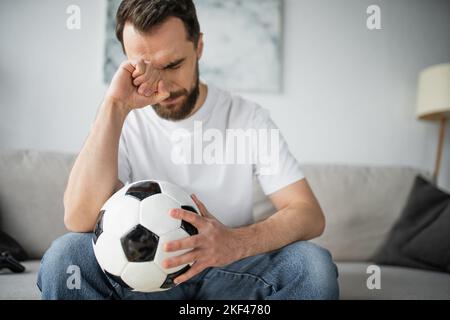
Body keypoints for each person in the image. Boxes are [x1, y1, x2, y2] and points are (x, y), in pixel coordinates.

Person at [37, 0, 339, 300]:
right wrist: (115, 106)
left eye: (173, 65)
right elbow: (78, 219)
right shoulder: (121, 119)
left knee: (312, 265)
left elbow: (308, 214)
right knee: (66, 256)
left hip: (229, 271)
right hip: (143, 278)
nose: (163, 88)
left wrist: (236, 242)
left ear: (199, 47)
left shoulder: (247, 117)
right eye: (145, 70)